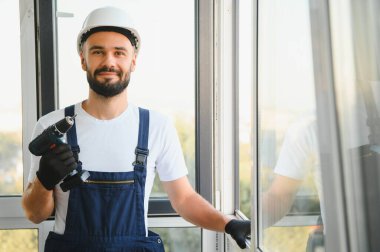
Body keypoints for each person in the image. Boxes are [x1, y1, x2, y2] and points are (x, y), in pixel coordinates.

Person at [21, 6, 250, 251]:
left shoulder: (156, 127)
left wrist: (226, 223)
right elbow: (35, 214)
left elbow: (184, 200)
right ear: (83, 60)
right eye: (98, 52)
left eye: (119, 53)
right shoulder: (51, 127)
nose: (109, 61)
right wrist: (44, 181)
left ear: (133, 61)